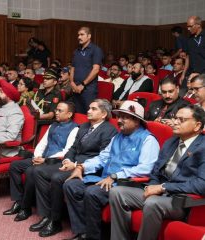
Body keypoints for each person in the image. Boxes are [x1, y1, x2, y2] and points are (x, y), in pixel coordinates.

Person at [63, 100, 160, 240]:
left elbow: (145, 169)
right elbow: (102, 158)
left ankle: (93, 237)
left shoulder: (148, 140)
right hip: (105, 178)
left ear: (137, 121)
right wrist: (82, 167)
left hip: (124, 184)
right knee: (71, 185)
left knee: (92, 192)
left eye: (124, 117)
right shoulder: (117, 136)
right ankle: (82, 232)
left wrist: (115, 176)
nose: (119, 120)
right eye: (119, 116)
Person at [110, 105, 205, 240]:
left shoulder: (202, 147)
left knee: (152, 202)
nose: (175, 122)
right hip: (160, 193)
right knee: (117, 192)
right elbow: (155, 171)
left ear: (197, 126)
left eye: (181, 119)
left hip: (181, 200)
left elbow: (201, 184)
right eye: (175, 118)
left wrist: (162, 187)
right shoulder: (171, 142)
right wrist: (152, 186)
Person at [27, 99, 118, 238]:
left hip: (90, 168)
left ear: (104, 114)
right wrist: (68, 159)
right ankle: (46, 216)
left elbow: (102, 157)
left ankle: (56, 221)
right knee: (38, 171)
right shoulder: (85, 126)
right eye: (89, 108)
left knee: (57, 178)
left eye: (93, 109)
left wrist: (76, 165)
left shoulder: (109, 130)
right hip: (72, 162)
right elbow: (73, 148)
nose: (88, 111)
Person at [3, 102, 79, 224]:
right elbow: (42, 143)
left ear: (69, 114)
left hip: (55, 161)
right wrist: (37, 156)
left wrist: (45, 160)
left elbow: (67, 151)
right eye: (56, 110)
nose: (56, 112)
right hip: (42, 158)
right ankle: (18, 201)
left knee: (31, 171)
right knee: (15, 166)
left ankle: (25, 207)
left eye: (60, 111)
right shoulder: (53, 125)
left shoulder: (74, 128)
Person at [70, 27, 103, 114]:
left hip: (88, 90)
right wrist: (72, 82)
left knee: (89, 114)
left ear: (89, 36)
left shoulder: (96, 50)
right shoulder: (76, 51)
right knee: (77, 115)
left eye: (82, 34)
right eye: (78, 35)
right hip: (75, 89)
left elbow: (95, 70)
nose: (79, 37)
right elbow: (73, 68)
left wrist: (83, 84)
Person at [186, 16, 205, 80]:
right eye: (187, 26)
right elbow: (188, 57)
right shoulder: (189, 39)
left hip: (203, 74)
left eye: (190, 26)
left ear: (198, 25)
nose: (188, 29)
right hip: (190, 73)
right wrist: (183, 73)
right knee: (182, 90)